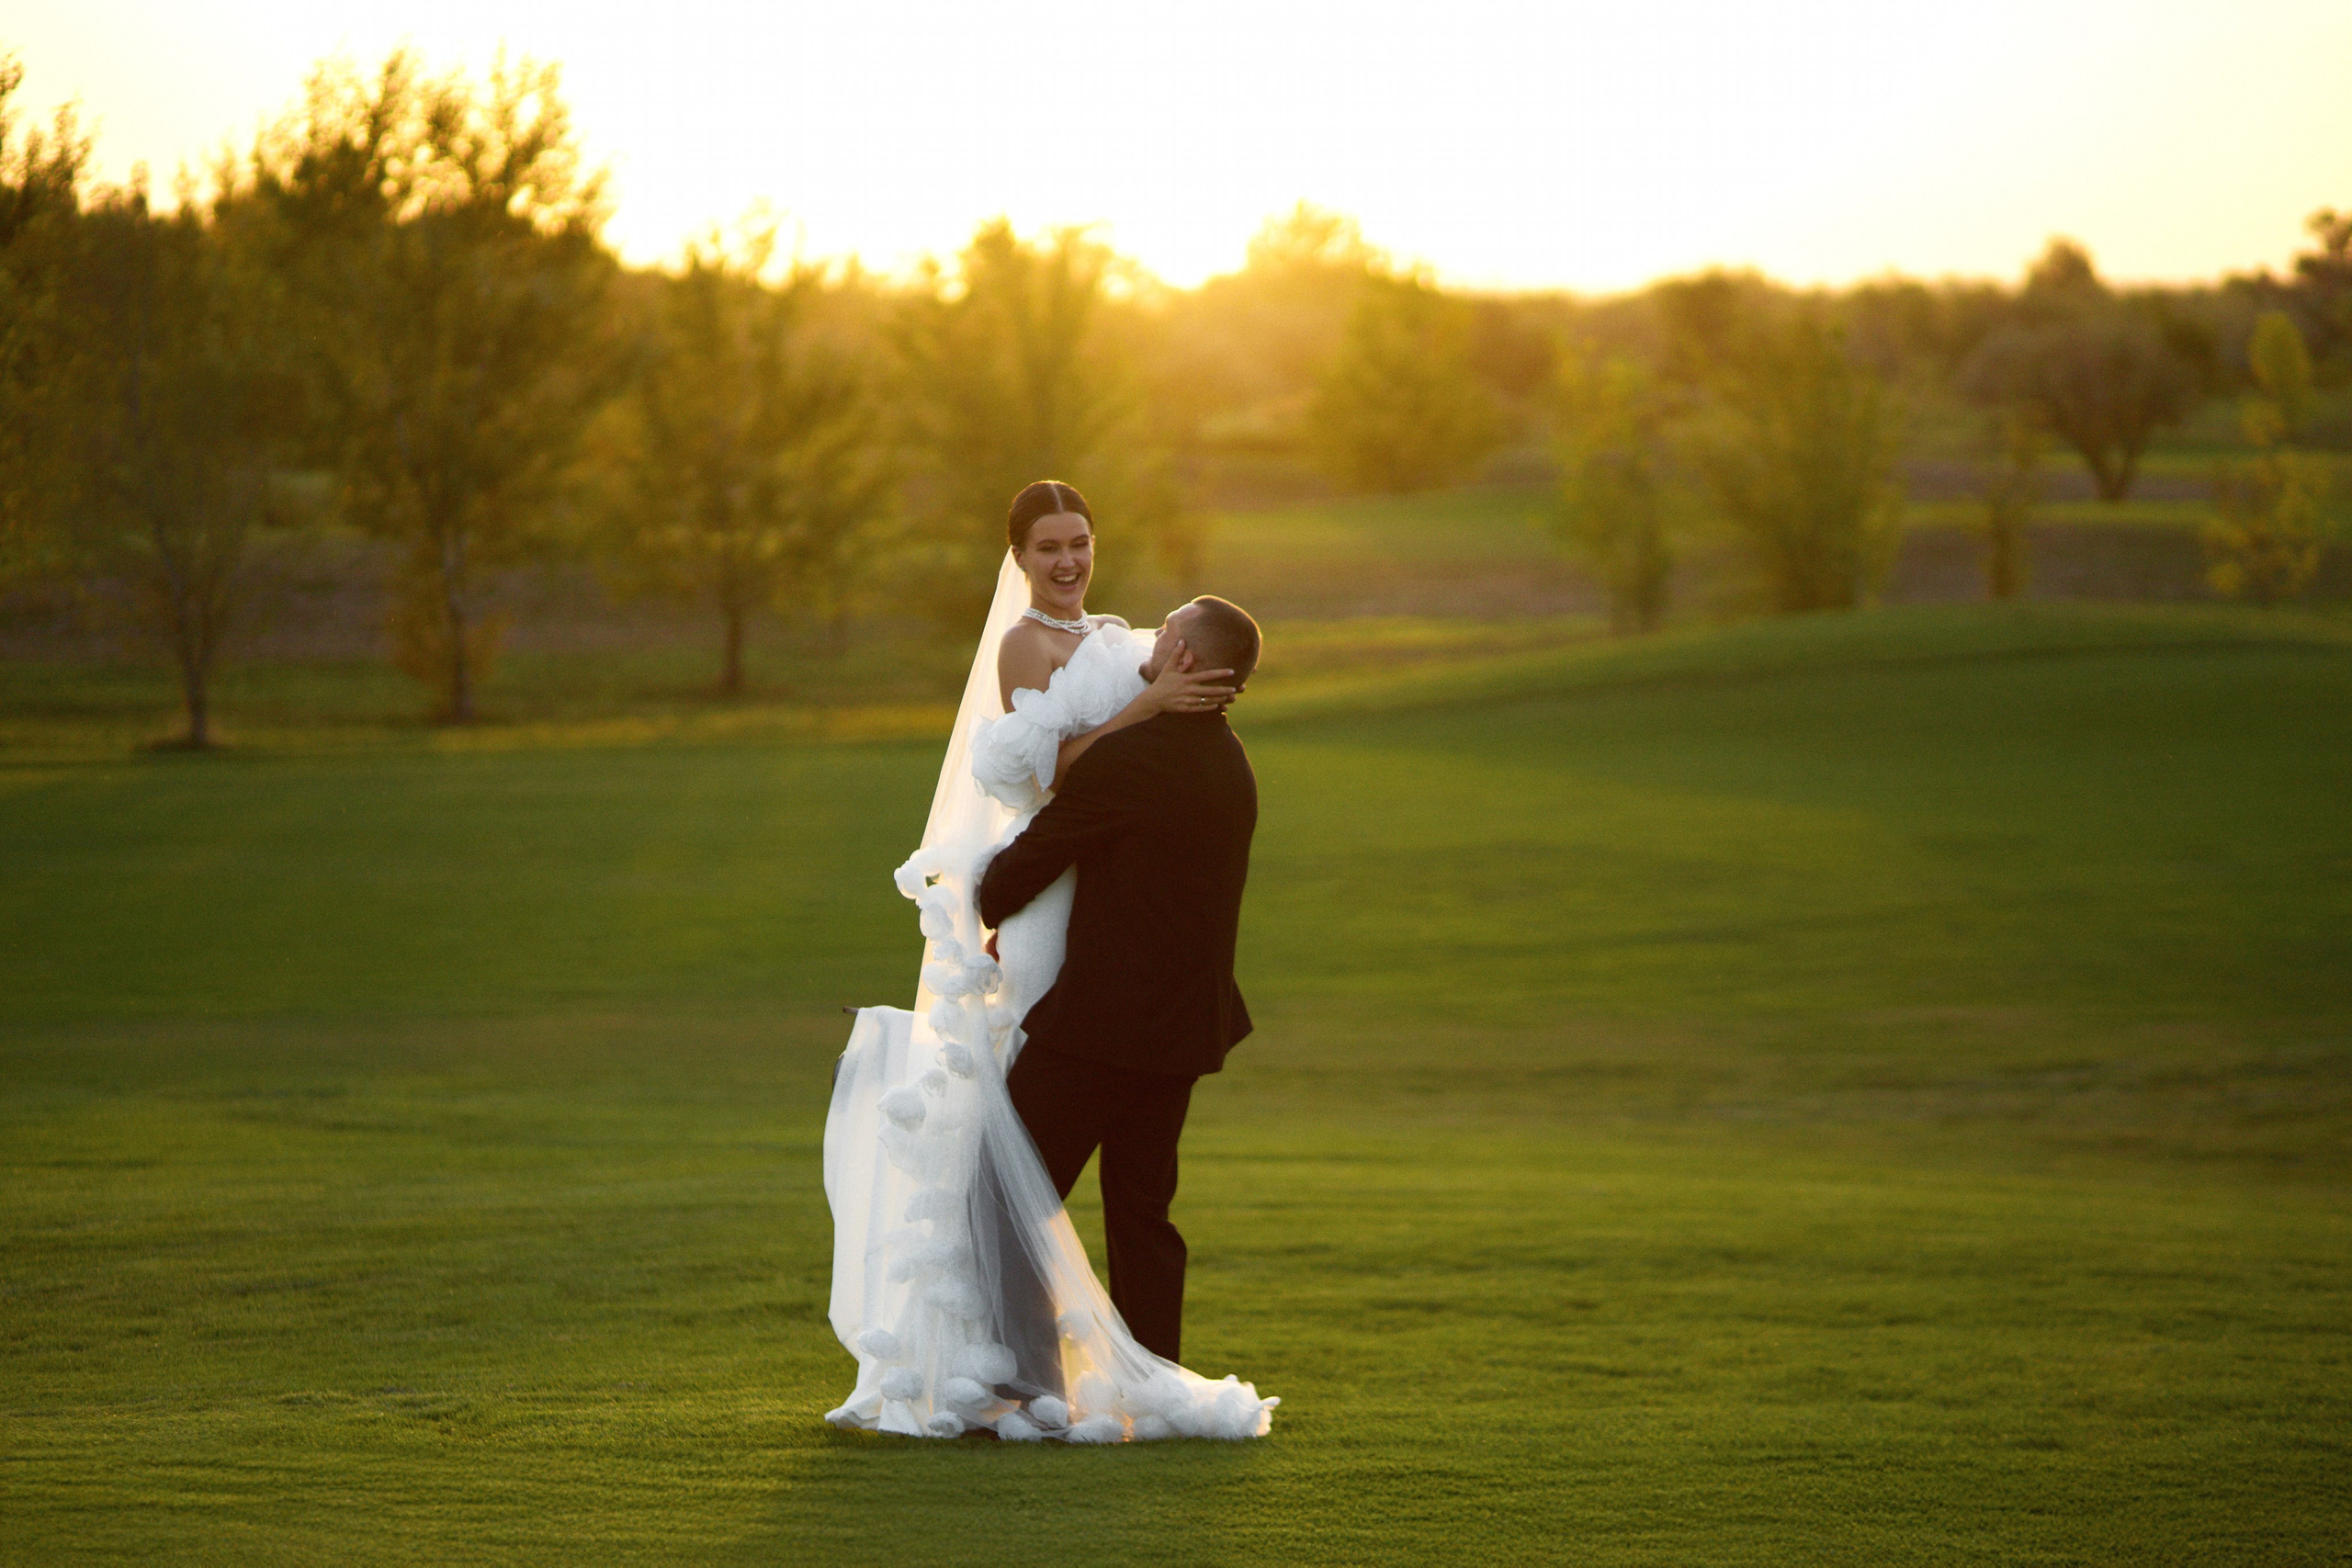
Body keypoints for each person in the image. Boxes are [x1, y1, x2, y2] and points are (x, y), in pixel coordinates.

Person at [822, 480, 1279, 1443]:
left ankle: (1027, 1384)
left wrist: (973, 899)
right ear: (1024, 557)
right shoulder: (1231, 765)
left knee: (1001, 1194)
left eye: (1080, 543)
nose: (1070, 562)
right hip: (1182, 1023)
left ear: (1185, 659)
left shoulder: (1131, 756)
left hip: (1100, 1015)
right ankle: (1152, 1391)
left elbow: (1020, 867)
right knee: (1144, 1210)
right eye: (1050, 547)